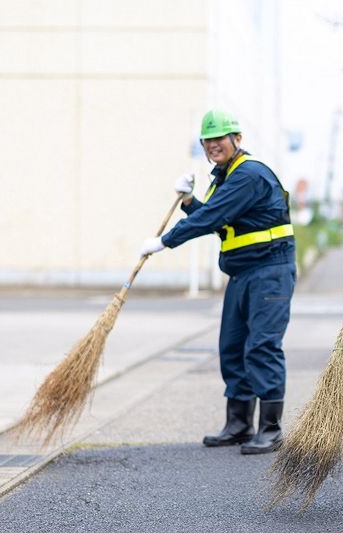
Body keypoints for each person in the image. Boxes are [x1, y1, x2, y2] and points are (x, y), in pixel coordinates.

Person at [140, 108, 296, 455]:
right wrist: (189, 202)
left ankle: (270, 429)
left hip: (270, 271)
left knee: (261, 347)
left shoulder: (249, 174)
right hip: (243, 273)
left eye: (219, 139)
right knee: (232, 346)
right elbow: (217, 220)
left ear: (237, 139)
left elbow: (214, 215)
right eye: (207, 141)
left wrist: (166, 241)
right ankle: (239, 423)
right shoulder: (226, 177)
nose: (213, 146)